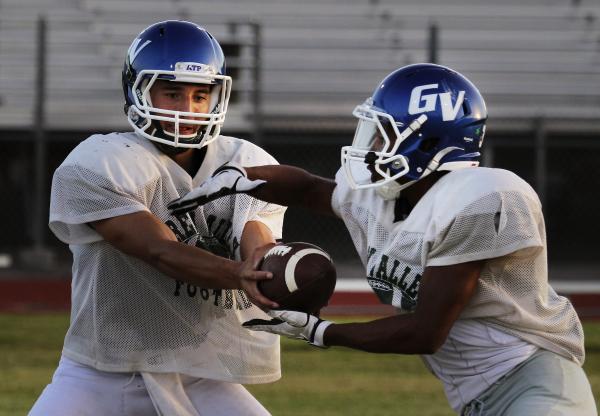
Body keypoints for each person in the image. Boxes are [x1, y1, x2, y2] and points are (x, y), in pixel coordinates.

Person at [168, 63, 598, 415]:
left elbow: (425, 332)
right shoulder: (387, 197)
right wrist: (242, 179)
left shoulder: (483, 199)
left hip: (536, 386)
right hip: (476, 398)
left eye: (383, 132)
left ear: (428, 143)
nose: (370, 144)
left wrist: (324, 333)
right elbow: (309, 189)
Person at [29, 20, 285, 416]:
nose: (189, 108)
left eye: (201, 95)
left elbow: (258, 240)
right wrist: (241, 275)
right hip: (100, 372)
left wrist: (276, 271)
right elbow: (159, 251)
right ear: (138, 91)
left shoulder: (247, 163)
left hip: (198, 371)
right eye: (172, 93)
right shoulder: (99, 162)